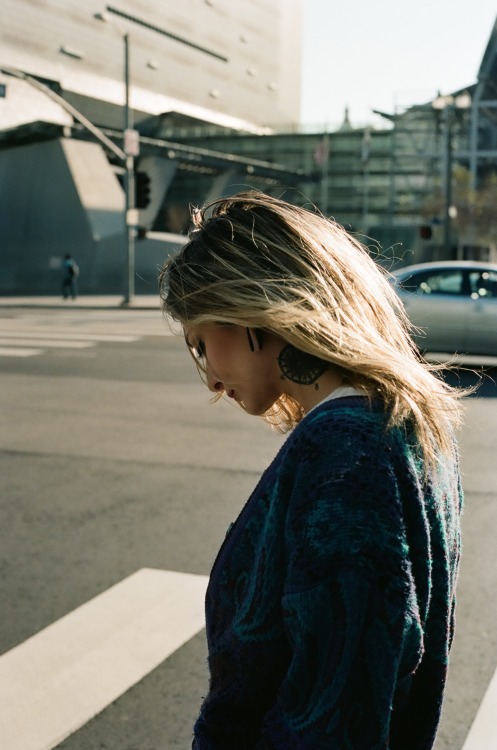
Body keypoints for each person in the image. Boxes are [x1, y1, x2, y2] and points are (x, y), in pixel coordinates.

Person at [159, 191, 465, 750]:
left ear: (251, 309)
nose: (209, 379)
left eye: (203, 344)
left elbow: (334, 712)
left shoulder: (344, 450)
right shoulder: (400, 423)